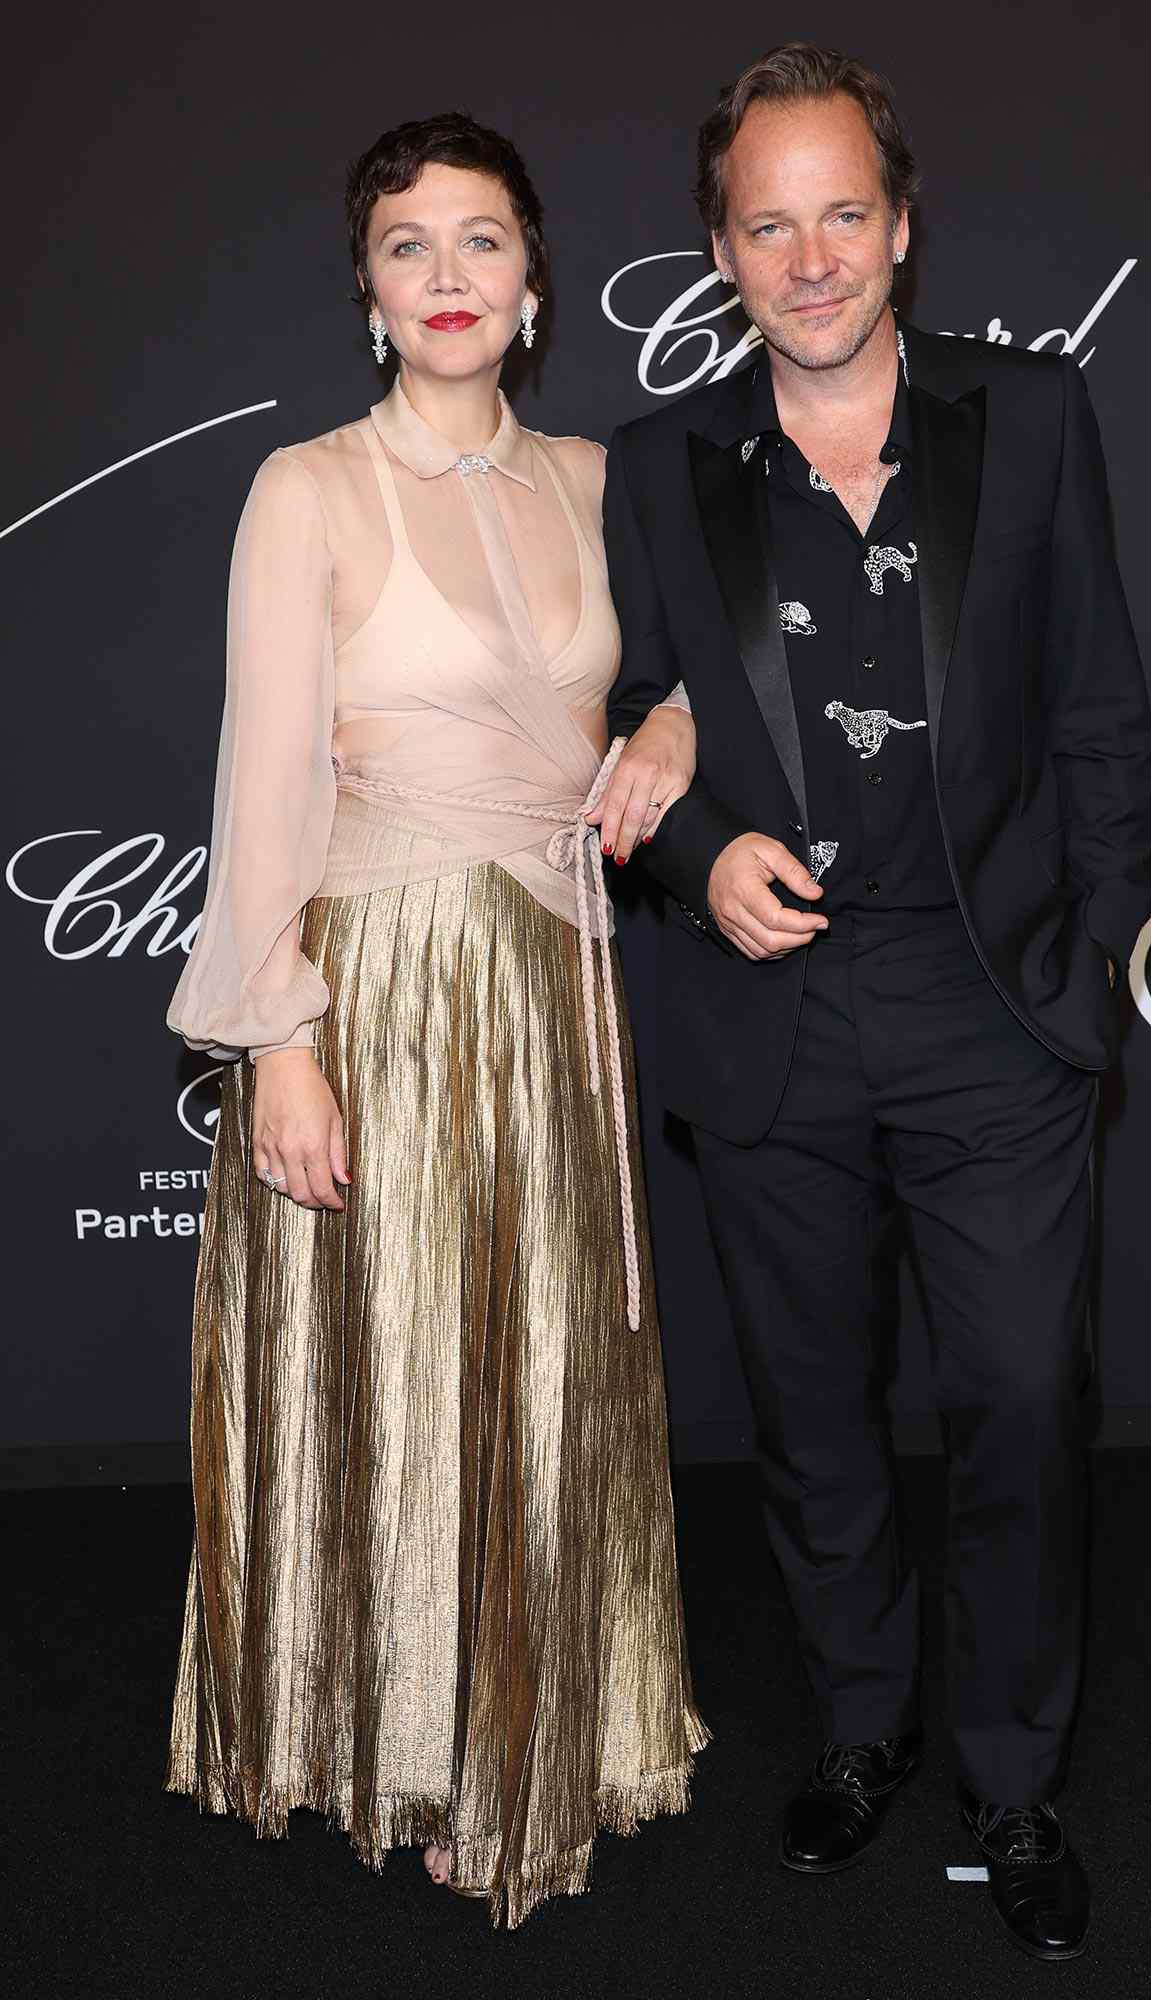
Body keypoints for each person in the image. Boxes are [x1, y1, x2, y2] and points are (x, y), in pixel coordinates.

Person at [598, 43, 1151, 1963]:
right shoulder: (665, 470)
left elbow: (1097, 712)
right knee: (814, 1415)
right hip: (774, 1016)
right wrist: (692, 862)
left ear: (901, 230)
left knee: (1011, 1399)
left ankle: (1010, 1774)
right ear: (720, 251)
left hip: (993, 1009)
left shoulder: (1034, 417)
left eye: (844, 212)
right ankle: (860, 1728)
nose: (810, 254)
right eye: (769, 221)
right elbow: (632, 725)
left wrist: (1094, 974)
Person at [165, 111, 706, 1928]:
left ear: (534, 282)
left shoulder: (596, 480)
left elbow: (694, 672)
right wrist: (280, 1040)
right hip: (381, 984)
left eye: (482, 241)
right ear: (370, 293)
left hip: (555, 981)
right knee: (406, 1375)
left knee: (541, 1377)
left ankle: (524, 1740)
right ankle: (407, 1736)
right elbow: (259, 784)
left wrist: (670, 733)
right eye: (411, 246)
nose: (450, 276)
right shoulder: (307, 489)